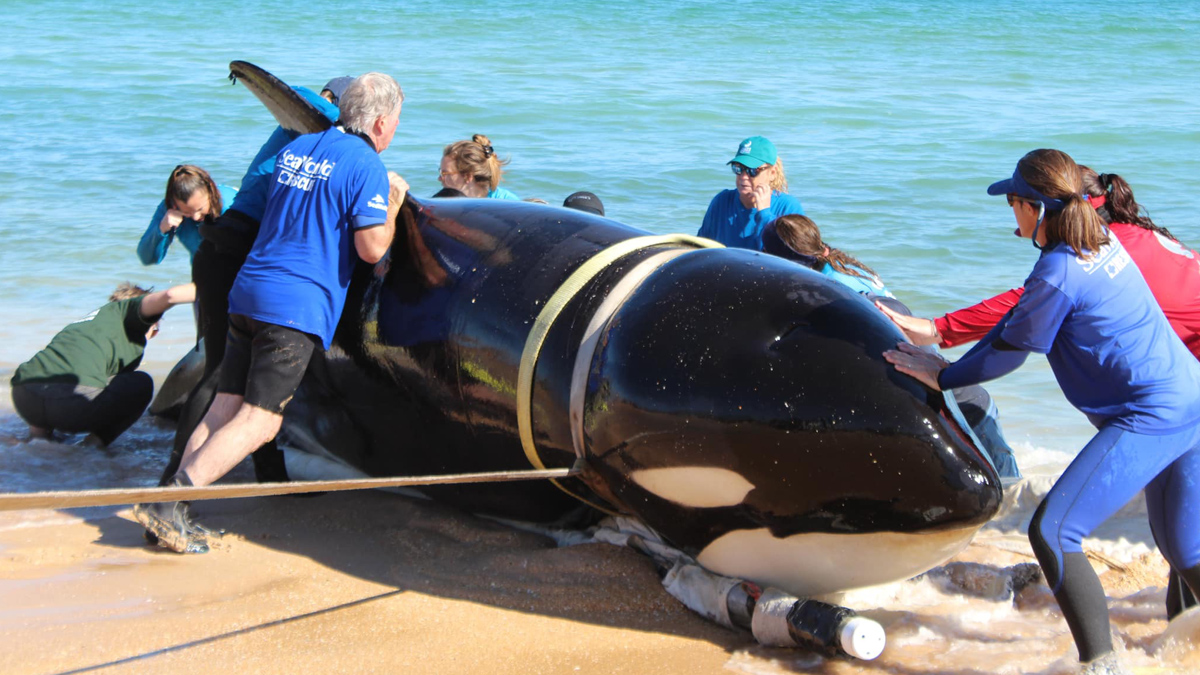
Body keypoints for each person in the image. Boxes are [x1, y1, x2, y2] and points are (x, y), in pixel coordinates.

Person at [883, 149, 1200, 675]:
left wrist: (943, 375)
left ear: (1032, 207)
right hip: (1191, 402)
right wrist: (945, 338)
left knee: (1054, 531)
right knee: (1185, 550)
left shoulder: (1059, 270)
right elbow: (1021, 320)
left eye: (1012, 200)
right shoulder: (1104, 241)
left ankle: (1101, 666)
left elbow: (1008, 351)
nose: (1010, 211)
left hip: (1151, 416)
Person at [135, 72, 409, 554]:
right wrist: (390, 206)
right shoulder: (365, 164)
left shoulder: (297, 150)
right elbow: (370, 249)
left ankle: (167, 501)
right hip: (294, 307)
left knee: (224, 407)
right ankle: (170, 503)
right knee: (262, 421)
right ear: (382, 122)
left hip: (248, 291)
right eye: (398, 123)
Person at [156, 77, 349, 488]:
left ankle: (268, 474)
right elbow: (309, 100)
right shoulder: (300, 125)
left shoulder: (312, 145)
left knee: (244, 381)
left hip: (232, 251)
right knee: (218, 377)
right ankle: (170, 480)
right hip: (227, 248)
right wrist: (333, 108)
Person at [761, 215, 1019, 478]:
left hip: (956, 400)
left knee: (1002, 488)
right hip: (946, 385)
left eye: (766, 254)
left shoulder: (838, 294)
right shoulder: (837, 269)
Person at [10, 282, 195, 447]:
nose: (153, 334)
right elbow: (170, 295)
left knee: (59, 375)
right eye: (155, 328)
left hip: (24, 397)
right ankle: (92, 446)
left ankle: (39, 441)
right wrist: (212, 284)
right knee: (142, 383)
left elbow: (53, 367)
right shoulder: (129, 313)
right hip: (69, 406)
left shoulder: (90, 323)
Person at [697, 136, 804, 250]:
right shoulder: (722, 202)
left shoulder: (788, 207)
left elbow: (793, 259)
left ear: (772, 173)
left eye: (752, 171)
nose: (743, 177)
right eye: (738, 168)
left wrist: (764, 213)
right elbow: (700, 248)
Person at [138, 165, 237, 266]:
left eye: (200, 209)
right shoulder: (170, 208)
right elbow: (146, 258)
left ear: (211, 194)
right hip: (203, 274)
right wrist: (161, 228)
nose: (196, 217)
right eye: (186, 212)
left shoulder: (231, 205)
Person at [437, 134, 518, 199]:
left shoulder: (508, 203)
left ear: (467, 176)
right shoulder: (443, 202)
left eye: (445, 173)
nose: (440, 178)